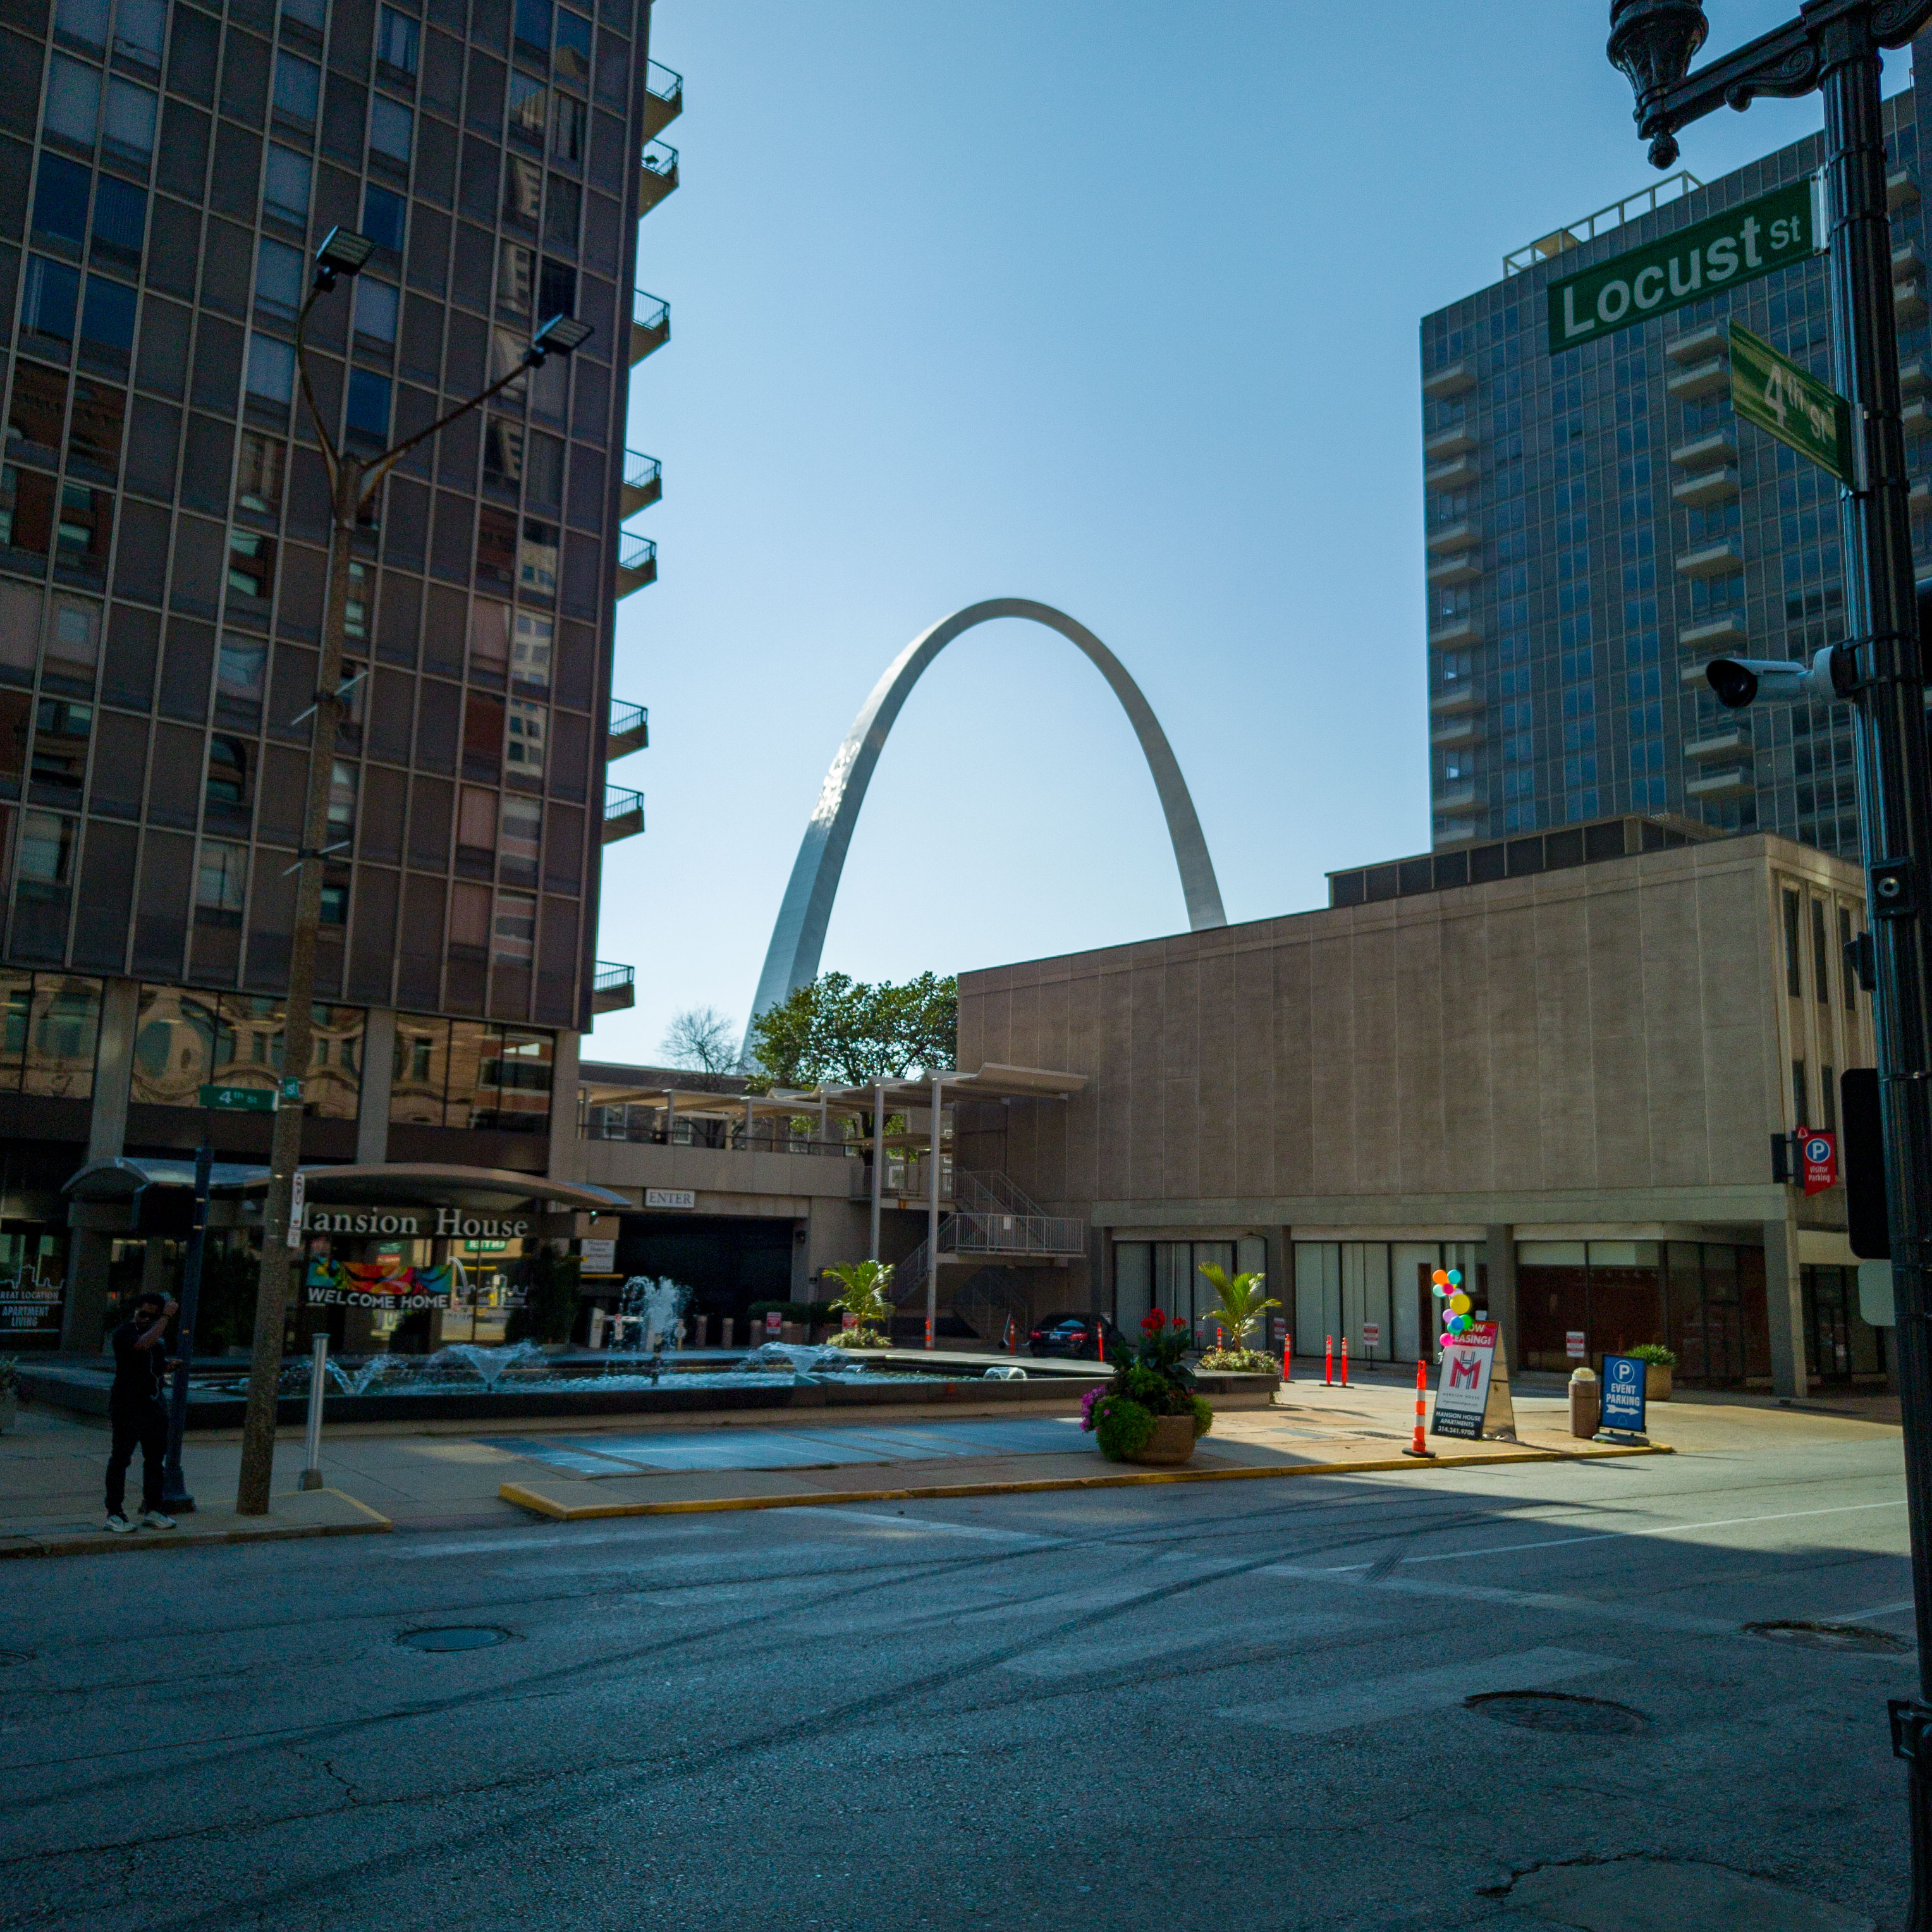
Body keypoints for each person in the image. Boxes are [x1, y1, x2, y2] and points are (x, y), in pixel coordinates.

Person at [105, 1289, 178, 1534]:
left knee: (156, 1460)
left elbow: (153, 1364)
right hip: (128, 1406)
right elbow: (142, 1345)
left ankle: (153, 1509)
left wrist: (168, 1366)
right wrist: (165, 1318)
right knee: (121, 1459)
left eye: (151, 1317)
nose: (145, 1319)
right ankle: (115, 1513)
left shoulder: (157, 1338)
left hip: (153, 1405)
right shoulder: (124, 1334)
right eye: (142, 1314)